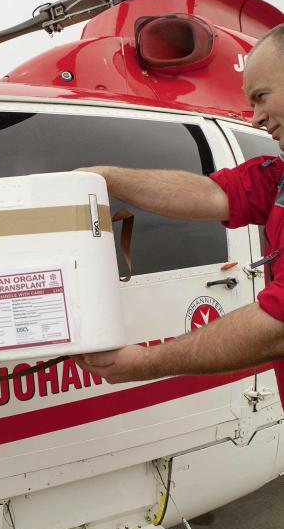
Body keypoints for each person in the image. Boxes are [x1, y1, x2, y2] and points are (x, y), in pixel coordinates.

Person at [76, 24, 284, 400]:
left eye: (261, 96)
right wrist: (107, 178)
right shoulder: (278, 175)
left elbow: (278, 325)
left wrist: (145, 363)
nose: (254, 118)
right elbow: (209, 194)